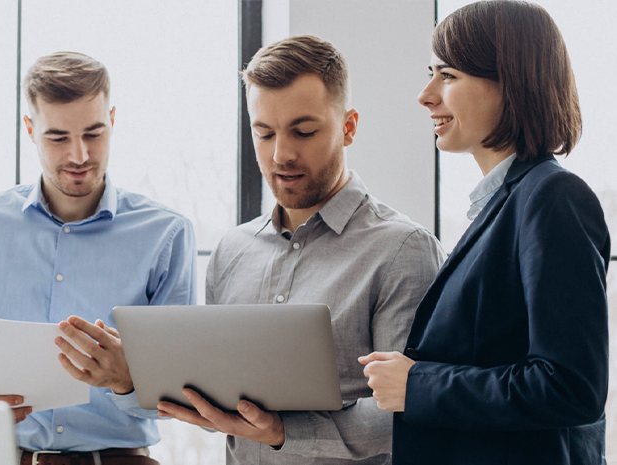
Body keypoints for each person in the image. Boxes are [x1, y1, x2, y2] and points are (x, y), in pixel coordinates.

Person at [157, 35, 445, 465]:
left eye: (304, 131)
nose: (281, 154)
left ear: (348, 127)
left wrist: (283, 432)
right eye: (264, 132)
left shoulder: (402, 250)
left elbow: (409, 413)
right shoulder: (231, 251)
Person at [0, 51, 196, 465]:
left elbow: (179, 390)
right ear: (30, 129)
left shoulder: (166, 234)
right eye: (58, 138)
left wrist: (127, 380)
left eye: (94, 134)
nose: (79, 156)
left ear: (113, 121)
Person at [359, 2, 610, 464]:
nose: (426, 95)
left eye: (448, 75)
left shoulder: (553, 197)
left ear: (510, 83)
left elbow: (571, 387)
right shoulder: (504, 203)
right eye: (430, 73)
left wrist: (418, 385)